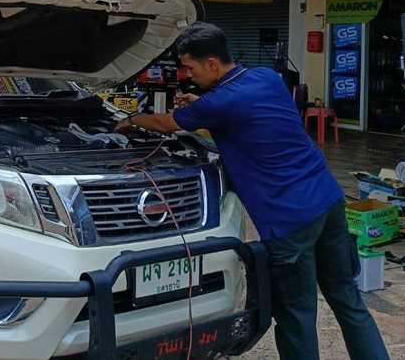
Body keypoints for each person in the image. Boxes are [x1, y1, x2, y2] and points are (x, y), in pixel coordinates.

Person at [114, 22, 388, 360]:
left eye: (190, 67)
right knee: (348, 299)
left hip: (289, 221)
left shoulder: (218, 104)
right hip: (328, 198)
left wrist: (133, 119)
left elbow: (166, 122)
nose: (188, 74)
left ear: (212, 63)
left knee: (297, 317)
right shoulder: (267, 78)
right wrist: (202, 103)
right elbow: (246, 112)